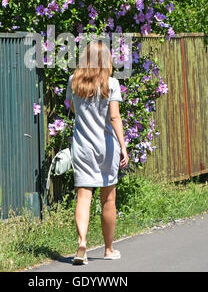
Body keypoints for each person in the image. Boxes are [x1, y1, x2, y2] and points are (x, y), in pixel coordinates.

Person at [65, 39, 129, 265]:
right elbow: (114, 117)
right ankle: (109, 249)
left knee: (84, 196)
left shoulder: (74, 81)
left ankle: (82, 242)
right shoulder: (111, 84)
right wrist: (123, 146)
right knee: (108, 199)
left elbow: (71, 108)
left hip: (82, 147)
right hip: (106, 148)